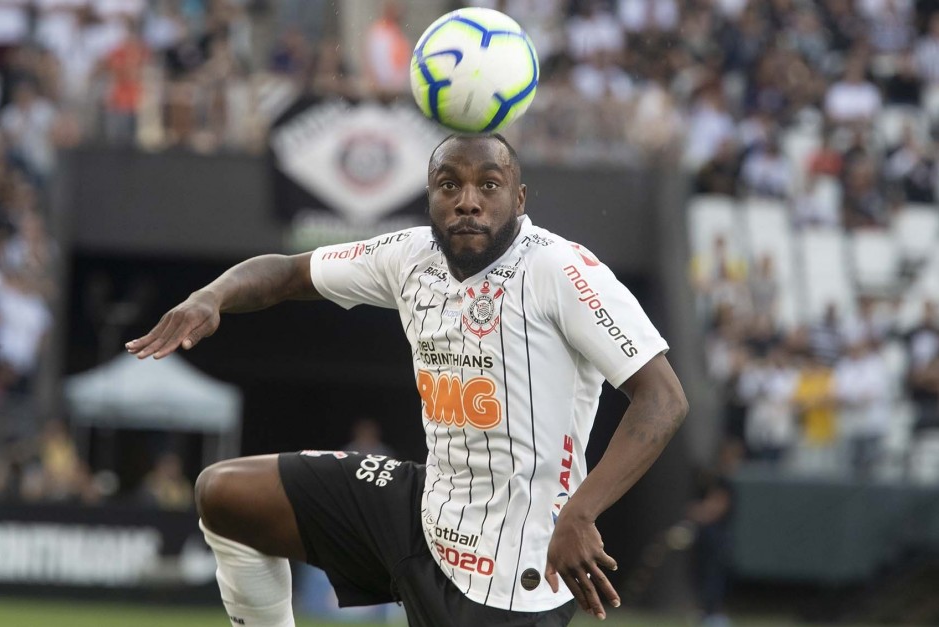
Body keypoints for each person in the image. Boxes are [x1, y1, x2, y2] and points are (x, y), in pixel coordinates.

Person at [126, 133, 687, 626]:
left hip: (519, 564)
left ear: (519, 199)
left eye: (488, 186)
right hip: (424, 511)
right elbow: (289, 272)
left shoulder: (560, 270)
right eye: (449, 185)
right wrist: (211, 296)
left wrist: (581, 512)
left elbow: (662, 398)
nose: (468, 200)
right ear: (430, 197)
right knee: (224, 495)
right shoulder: (408, 254)